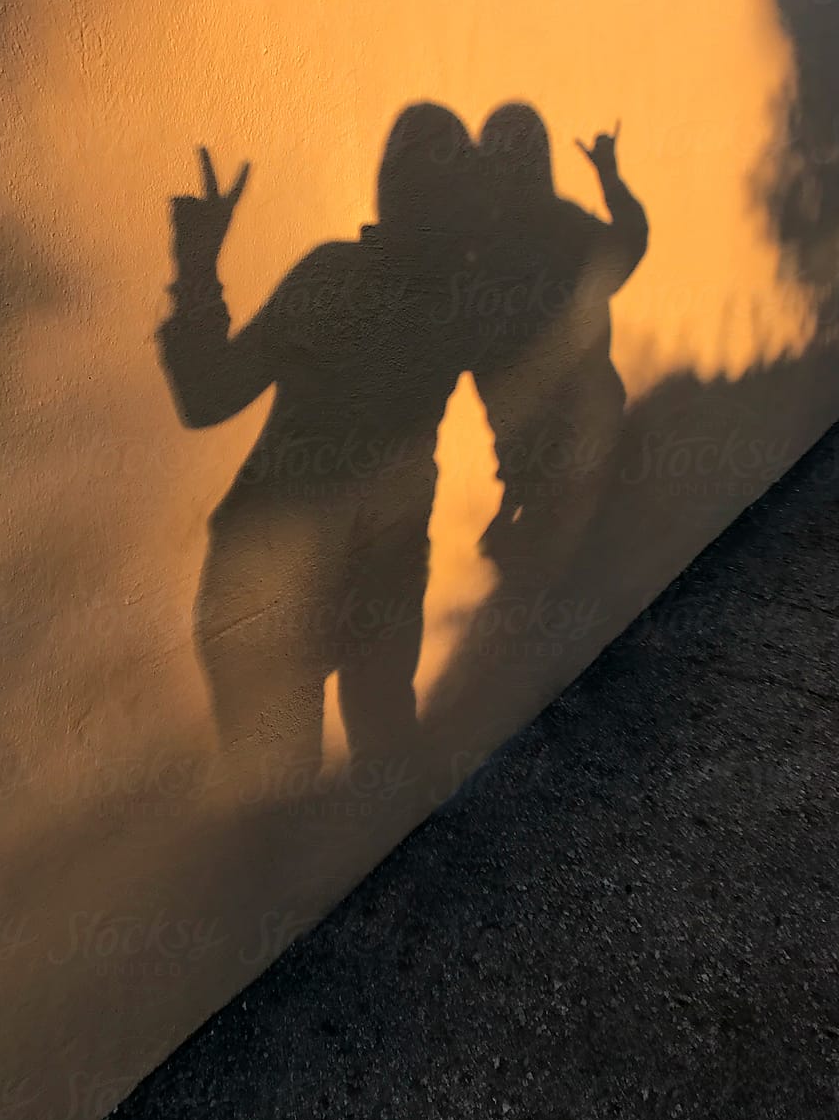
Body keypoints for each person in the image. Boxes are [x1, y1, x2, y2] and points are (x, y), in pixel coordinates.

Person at [158, 105, 478, 787]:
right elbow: (206, 398)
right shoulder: (451, 302)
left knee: (303, 802)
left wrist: (197, 266)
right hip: (288, 584)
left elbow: (206, 396)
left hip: (284, 578)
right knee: (328, 790)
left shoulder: (363, 281)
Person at [468, 103, 648, 583]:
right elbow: (631, 242)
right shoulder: (566, 228)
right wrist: (609, 176)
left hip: (534, 455)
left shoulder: (478, 252)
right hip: (590, 429)